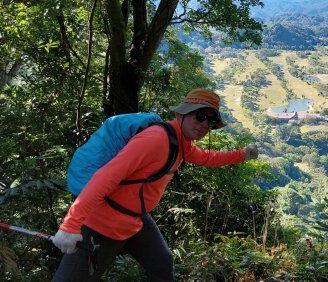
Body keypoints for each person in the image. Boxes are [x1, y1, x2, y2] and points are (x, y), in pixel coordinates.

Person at [52, 89, 258, 281]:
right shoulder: (155, 139)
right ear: (181, 115)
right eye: (200, 116)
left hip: (136, 219)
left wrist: (242, 155)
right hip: (104, 222)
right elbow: (105, 178)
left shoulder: (181, 143)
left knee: (161, 263)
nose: (205, 125)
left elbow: (207, 157)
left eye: (211, 121)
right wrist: (71, 225)